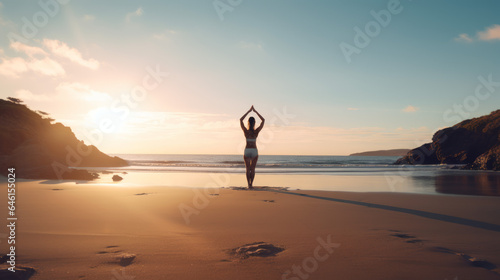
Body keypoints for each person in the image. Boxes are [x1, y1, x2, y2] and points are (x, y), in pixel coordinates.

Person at [240, 106, 265, 189]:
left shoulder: (246, 131)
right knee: (253, 169)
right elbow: (263, 120)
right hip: (254, 150)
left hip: (247, 150)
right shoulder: (256, 131)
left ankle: (248, 185)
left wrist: (249, 111)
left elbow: (240, 120)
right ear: (254, 123)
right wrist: (255, 111)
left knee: (248, 169)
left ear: (248, 122)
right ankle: (251, 184)